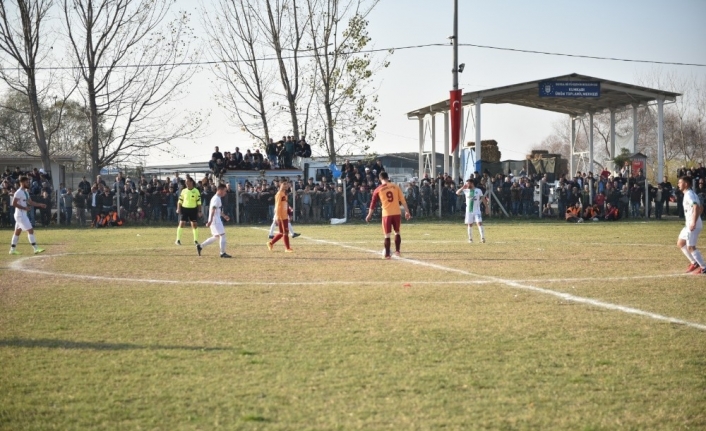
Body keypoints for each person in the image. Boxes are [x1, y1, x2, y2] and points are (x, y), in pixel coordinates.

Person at [366, 171, 411, 259]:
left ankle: (387, 255)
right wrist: (407, 211)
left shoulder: (378, 189)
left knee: (387, 235)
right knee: (397, 232)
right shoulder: (395, 186)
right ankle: (397, 251)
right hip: (397, 213)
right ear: (388, 178)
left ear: (380, 179)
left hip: (386, 214)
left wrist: (369, 215)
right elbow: (403, 200)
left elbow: (373, 204)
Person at [9, 176, 46, 255]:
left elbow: (31, 202)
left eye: (28, 182)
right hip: (20, 215)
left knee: (17, 232)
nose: (28, 183)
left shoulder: (25, 192)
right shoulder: (18, 192)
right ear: (21, 183)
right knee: (30, 230)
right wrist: (24, 208)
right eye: (26, 182)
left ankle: (12, 249)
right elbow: (14, 203)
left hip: (21, 215)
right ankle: (36, 248)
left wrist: (40, 205)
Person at [676, 176, 706, 273]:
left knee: (691, 247)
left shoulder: (689, 194)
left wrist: (694, 221)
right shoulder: (690, 194)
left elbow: (697, 207)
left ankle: (703, 267)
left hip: (692, 224)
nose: (678, 184)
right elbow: (701, 207)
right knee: (680, 243)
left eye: (680, 182)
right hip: (689, 224)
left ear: (686, 184)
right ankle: (694, 262)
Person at [197, 184, 231, 258]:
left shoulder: (216, 198)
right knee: (222, 235)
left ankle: (200, 246)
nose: (225, 193)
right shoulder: (216, 198)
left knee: (216, 236)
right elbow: (213, 210)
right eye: (225, 191)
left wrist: (224, 216)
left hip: (215, 219)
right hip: (215, 220)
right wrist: (210, 221)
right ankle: (222, 253)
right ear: (220, 190)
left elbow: (217, 210)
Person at [456, 178, 487, 243]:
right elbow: (457, 193)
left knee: (479, 223)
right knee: (469, 224)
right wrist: (462, 188)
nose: (466, 185)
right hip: (469, 211)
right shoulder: (466, 190)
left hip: (477, 210)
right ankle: (470, 239)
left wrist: (486, 207)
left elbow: (483, 198)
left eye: (468, 183)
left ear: (472, 183)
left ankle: (482, 238)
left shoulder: (478, 190)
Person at [267, 181, 293, 253]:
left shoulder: (285, 194)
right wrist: (277, 216)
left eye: (286, 184)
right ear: (280, 185)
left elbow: (285, 205)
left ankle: (271, 243)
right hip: (281, 216)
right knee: (285, 232)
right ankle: (287, 248)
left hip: (284, 215)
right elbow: (277, 206)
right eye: (284, 184)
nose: (286, 186)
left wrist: (289, 213)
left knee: (282, 233)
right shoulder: (279, 194)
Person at [175, 177, 201, 245]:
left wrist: (199, 211)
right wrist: (178, 208)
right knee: (181, 224)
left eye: (188, 182)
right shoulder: (183, 191)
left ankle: (195, 240)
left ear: (191, 182)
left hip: (193, 210)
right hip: (185, 209)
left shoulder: (196, 191)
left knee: (194, 225)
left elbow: (199, 202)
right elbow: (180, 201)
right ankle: (178, 240)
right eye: (186, 182)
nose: (186, 183)